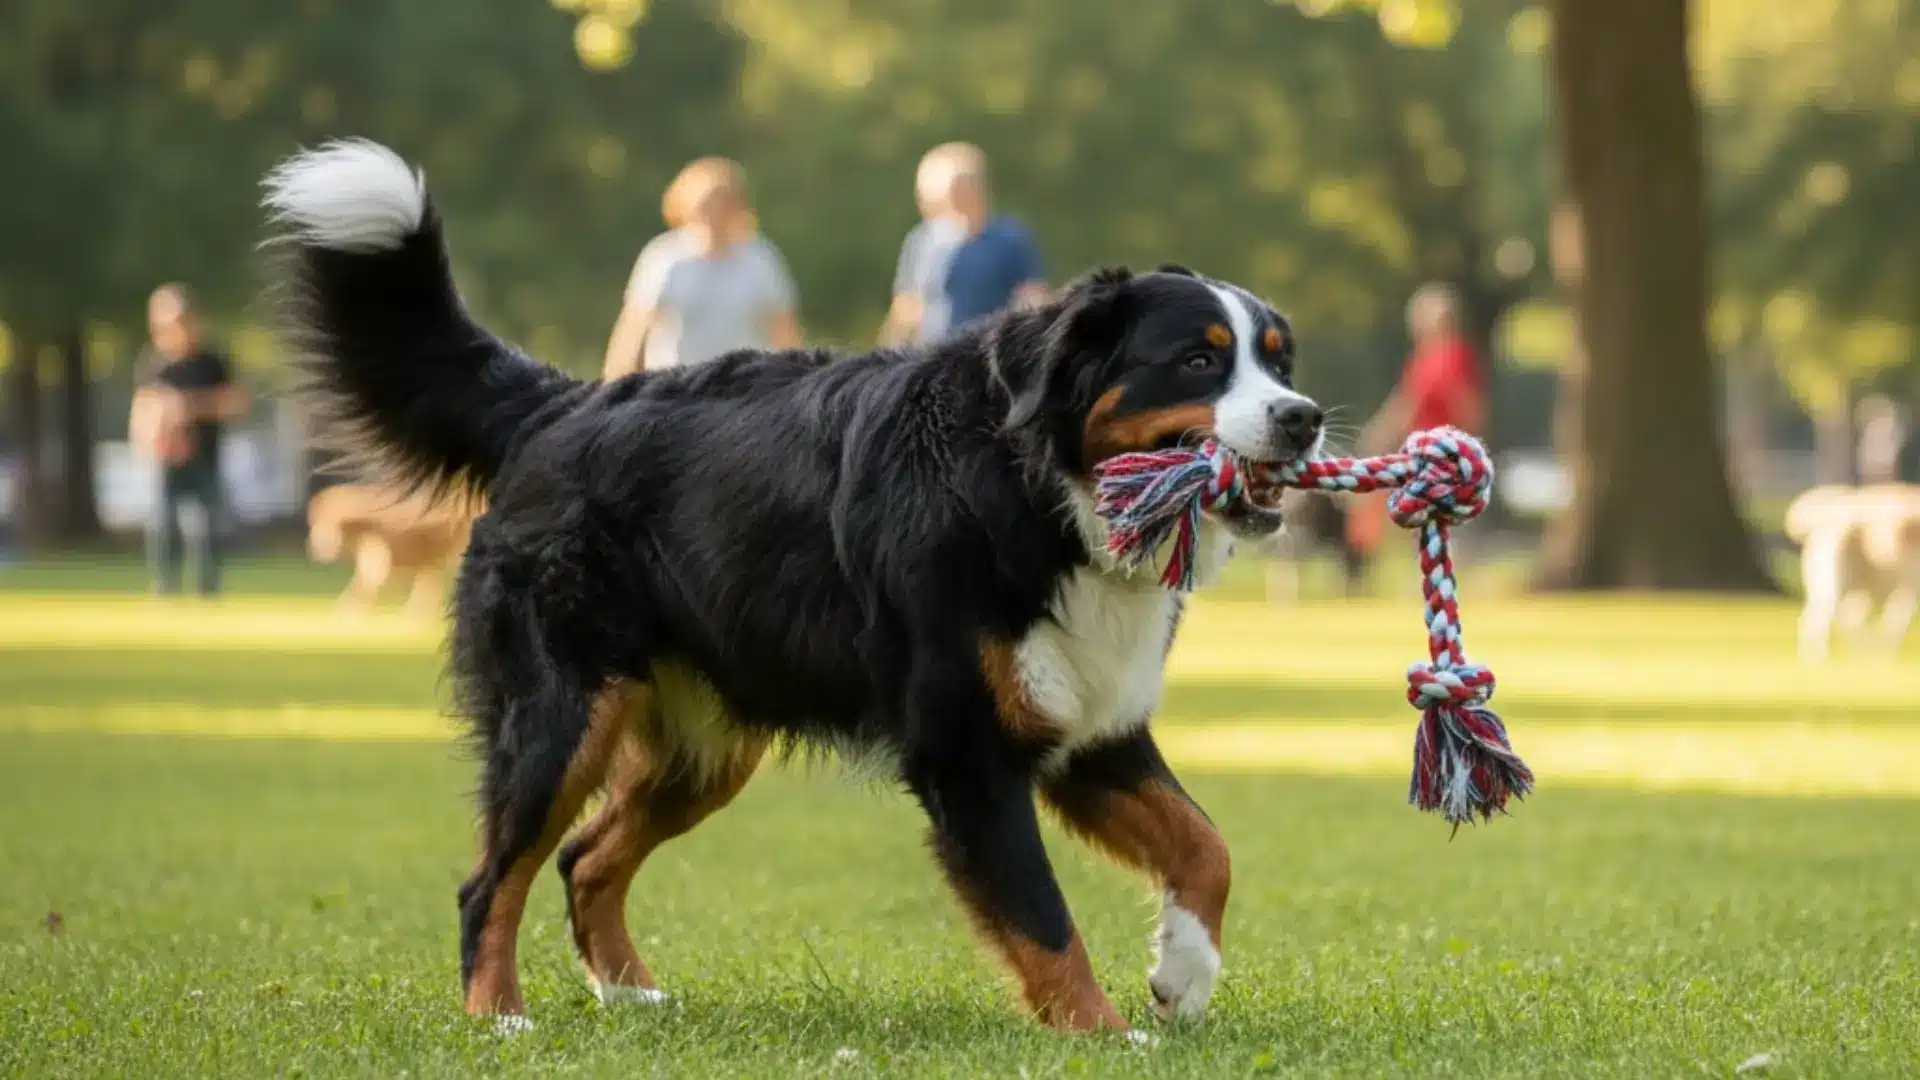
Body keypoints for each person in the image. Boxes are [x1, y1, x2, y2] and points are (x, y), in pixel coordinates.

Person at [603, 157, 802, 376]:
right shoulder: (664, 258)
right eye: (706, 202)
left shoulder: (760, 259)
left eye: (723, 200)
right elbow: (634, 331)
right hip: (675, 388)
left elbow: (784, 331)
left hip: (744, 387)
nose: (714, 210)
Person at [1349, 283, 1488, 565]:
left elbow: (1470, 409)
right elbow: (1406, 402)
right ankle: (1360, 561)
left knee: (1432, 519)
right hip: (1419, 454)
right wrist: (1378, 435)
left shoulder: (1455, 355)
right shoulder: (1424, 357)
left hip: (1442, 456)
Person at [129, 284, 249, 595]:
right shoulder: (153, 363)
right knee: (162, 524)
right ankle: (164, 587)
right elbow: (142, 409)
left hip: (205, 456)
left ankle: (208, 588)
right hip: (166, 458)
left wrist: (190, 406)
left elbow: (235, 402)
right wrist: (150, 436)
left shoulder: (212, 363)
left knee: (207, 525)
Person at [881, 142, 1047, 346]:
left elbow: (1033, 297)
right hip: (933, 355)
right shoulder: (923, 240)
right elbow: (908, 306)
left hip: (984, 353)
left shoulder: (1010, 238)